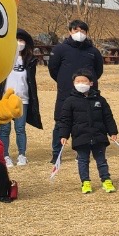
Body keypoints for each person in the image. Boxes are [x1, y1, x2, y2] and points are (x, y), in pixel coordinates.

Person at [47, 19, 104, 164]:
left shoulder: (93, 51)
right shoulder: (60, 49)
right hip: (66, 93)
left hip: (87, 94)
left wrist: (88, 83)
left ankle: (82, 151)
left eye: (82, 31)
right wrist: (64, 81)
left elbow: (98, 70)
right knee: (61, 122)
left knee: (84, 122)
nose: (79, 34)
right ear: (70, 32)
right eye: (76, 30)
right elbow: (53, 69)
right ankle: (56, 153)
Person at [56, 70, 118, 194]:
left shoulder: (100, 100)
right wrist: (64, 135)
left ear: (90, 83)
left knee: (101, 160)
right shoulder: (70, 101)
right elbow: (65, 120)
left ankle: (106, 180)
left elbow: (108, 117)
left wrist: (113, 132)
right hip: (80, 136)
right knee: (83, 160)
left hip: (98, 135)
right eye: (77, 81)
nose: (80, 83)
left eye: (83, 81)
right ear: (73, 83)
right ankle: (85, 182)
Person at [0, 28, 41, 166]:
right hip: (5, 98)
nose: (19, 43)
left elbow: (30, 81)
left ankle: (22, 155)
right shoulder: (4, 58)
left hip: (23, 99)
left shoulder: (29, 61)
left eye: (21, 40)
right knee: (5, 129)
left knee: (20, 129)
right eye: (16, 40)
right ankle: (5, 155)